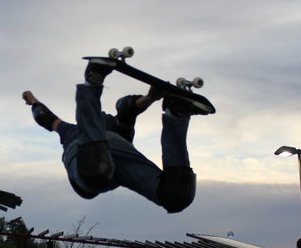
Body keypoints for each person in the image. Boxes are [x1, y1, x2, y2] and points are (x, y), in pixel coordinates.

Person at [21, 57, 208, 213]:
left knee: (174, 194)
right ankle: (176, 116)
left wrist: (34, 103)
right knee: (176, 196)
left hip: (92, 163)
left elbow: (46, 118)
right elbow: (130, 111)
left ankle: (93, 81)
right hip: (94, 158)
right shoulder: (115, 128)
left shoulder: (72, 129)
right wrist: (150, 98)